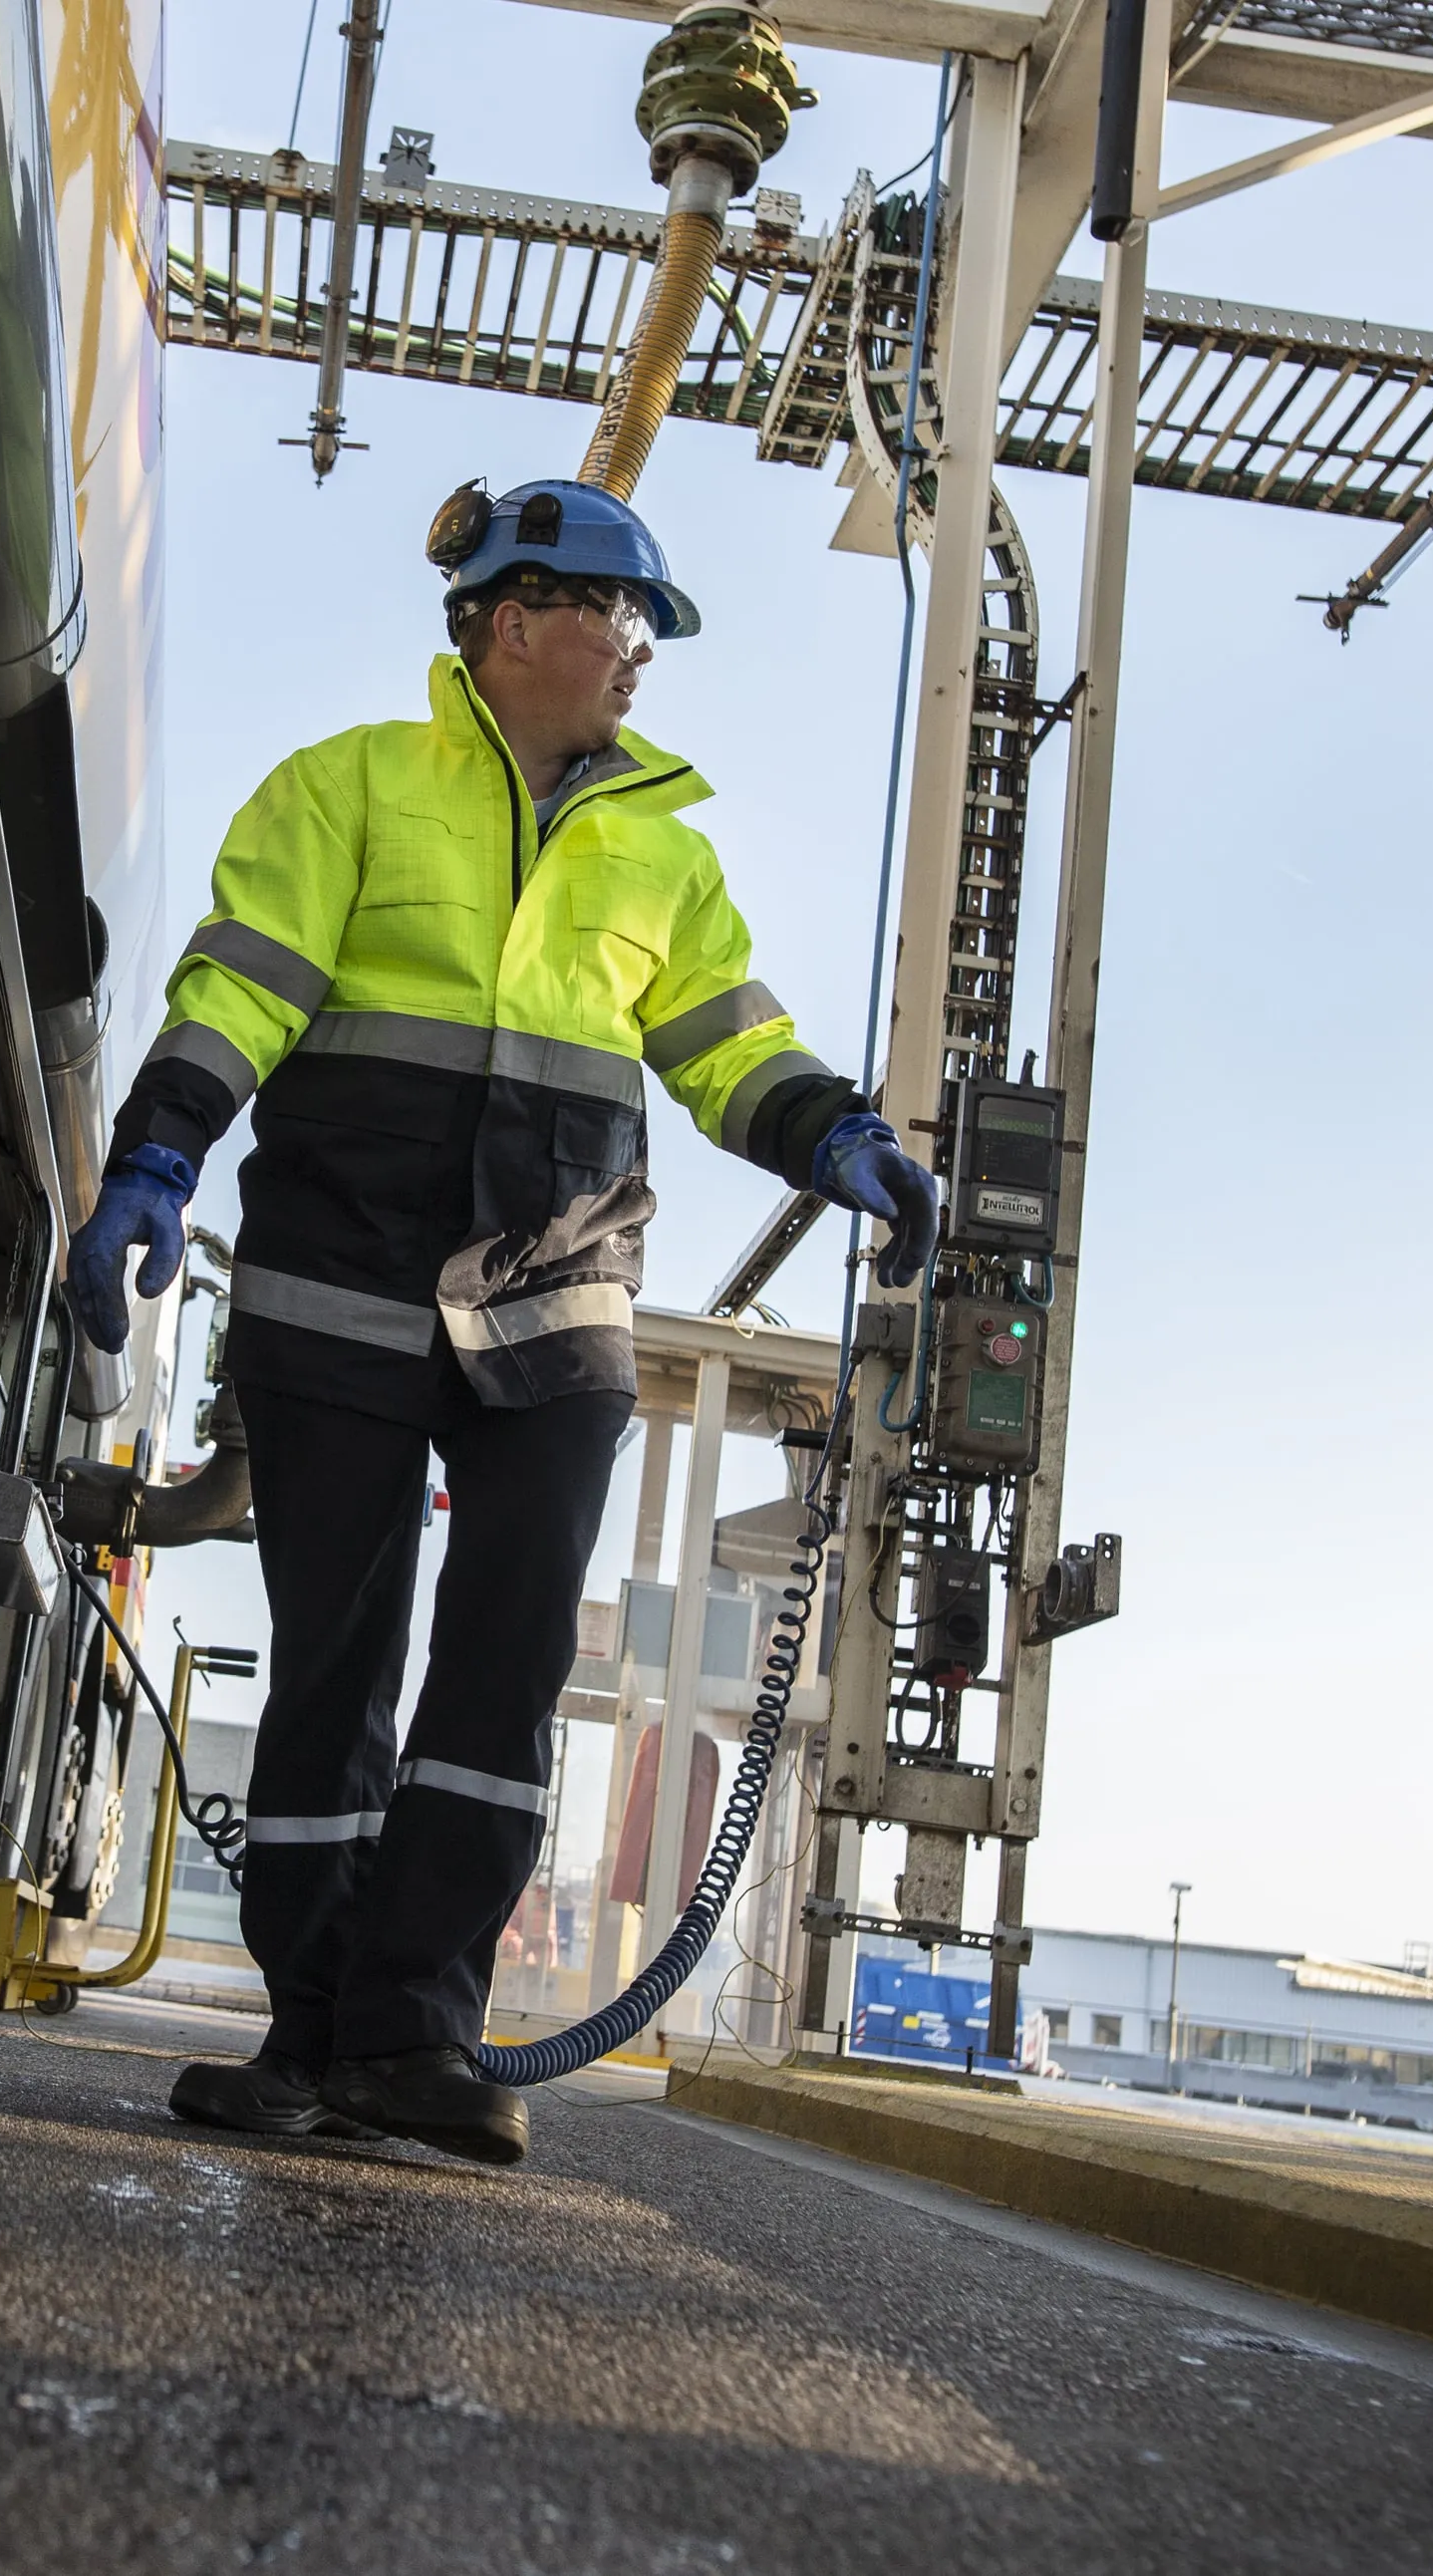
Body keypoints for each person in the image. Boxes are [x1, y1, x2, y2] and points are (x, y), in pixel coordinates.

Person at [68, 476, 938, 2165]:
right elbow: (235, 991)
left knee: (508, 1666)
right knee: (335, 1666)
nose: (640, 660)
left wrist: (831, 1130)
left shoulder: (663, 859)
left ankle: (418, 2033)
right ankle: (313, 2032)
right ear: (514, 618)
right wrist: (156, 1157)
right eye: (625, 621)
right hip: (336, 1295)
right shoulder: (351, 791)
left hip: (556, 1305)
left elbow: (723, 1051)